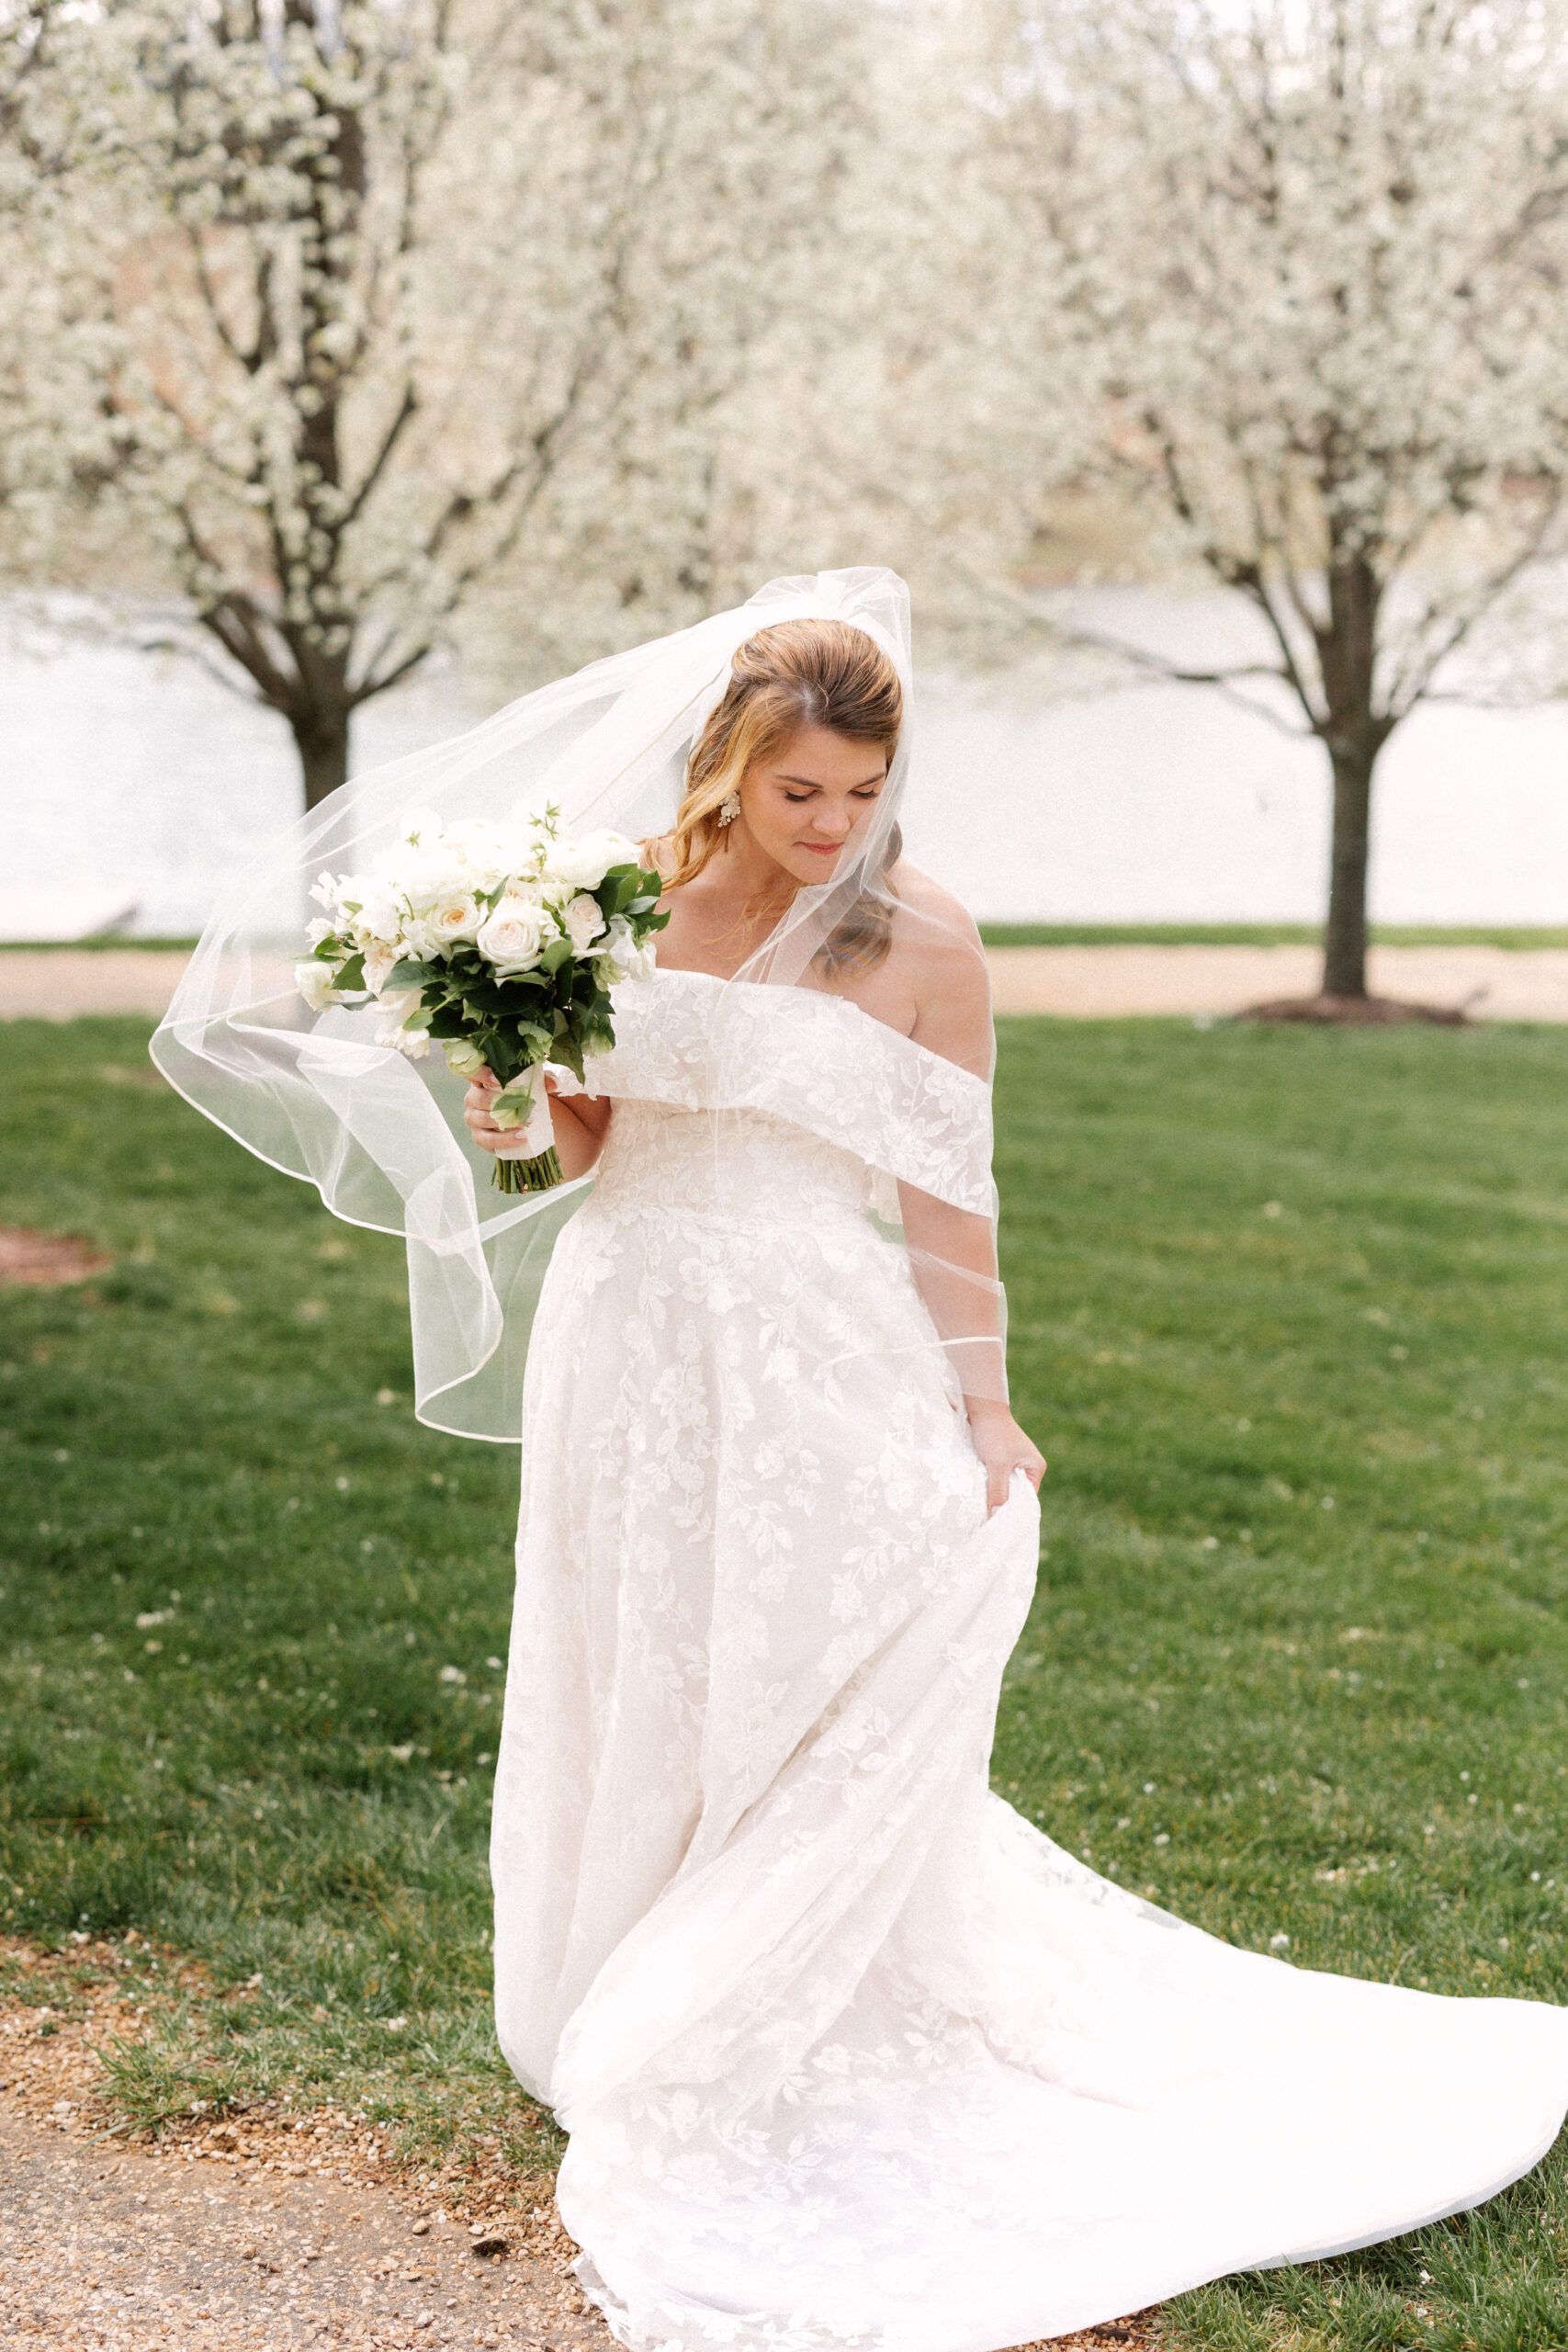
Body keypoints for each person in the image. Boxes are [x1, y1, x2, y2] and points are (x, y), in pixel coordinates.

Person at [152, 569, 1568, 2352]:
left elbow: (948, 1198)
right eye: (793, 791)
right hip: (632, 1333)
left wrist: (982, 1402)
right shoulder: (609, 902)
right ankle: (638, 1976)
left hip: (817, 1334)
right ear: (728, 766)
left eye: (857, 793)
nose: (827, 826)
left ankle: (756, 1996)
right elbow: (590, 1142)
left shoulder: (925, 942)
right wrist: (517, 1101)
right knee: (644, 1651)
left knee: (809, 1663)